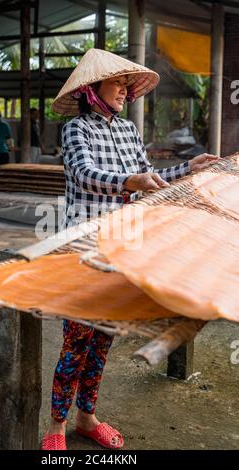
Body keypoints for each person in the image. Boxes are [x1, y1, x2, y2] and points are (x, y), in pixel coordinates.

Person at [41, 48, 219, 451]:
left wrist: (189, 168)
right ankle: (55, 426)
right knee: (76, 341)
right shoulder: (76, 129)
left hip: (123, 246)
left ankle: (87, 417)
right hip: (83, 247)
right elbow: (86, 175)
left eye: (126, 83)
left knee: (103, 338)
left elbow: (149, 177)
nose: (124, 89)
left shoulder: (127, 131)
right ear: (92, 88)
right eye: (117, 81)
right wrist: (128, 182)